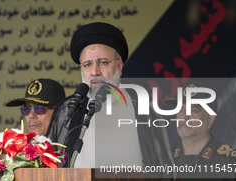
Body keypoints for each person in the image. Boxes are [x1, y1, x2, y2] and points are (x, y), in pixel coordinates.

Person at [47, 22, 174, 170]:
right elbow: (50, 170)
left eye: (103, 62)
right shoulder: (68, 109)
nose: (95, 72)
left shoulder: (143, 108)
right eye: (88, 64)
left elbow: (165, 171)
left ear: (119, 67)